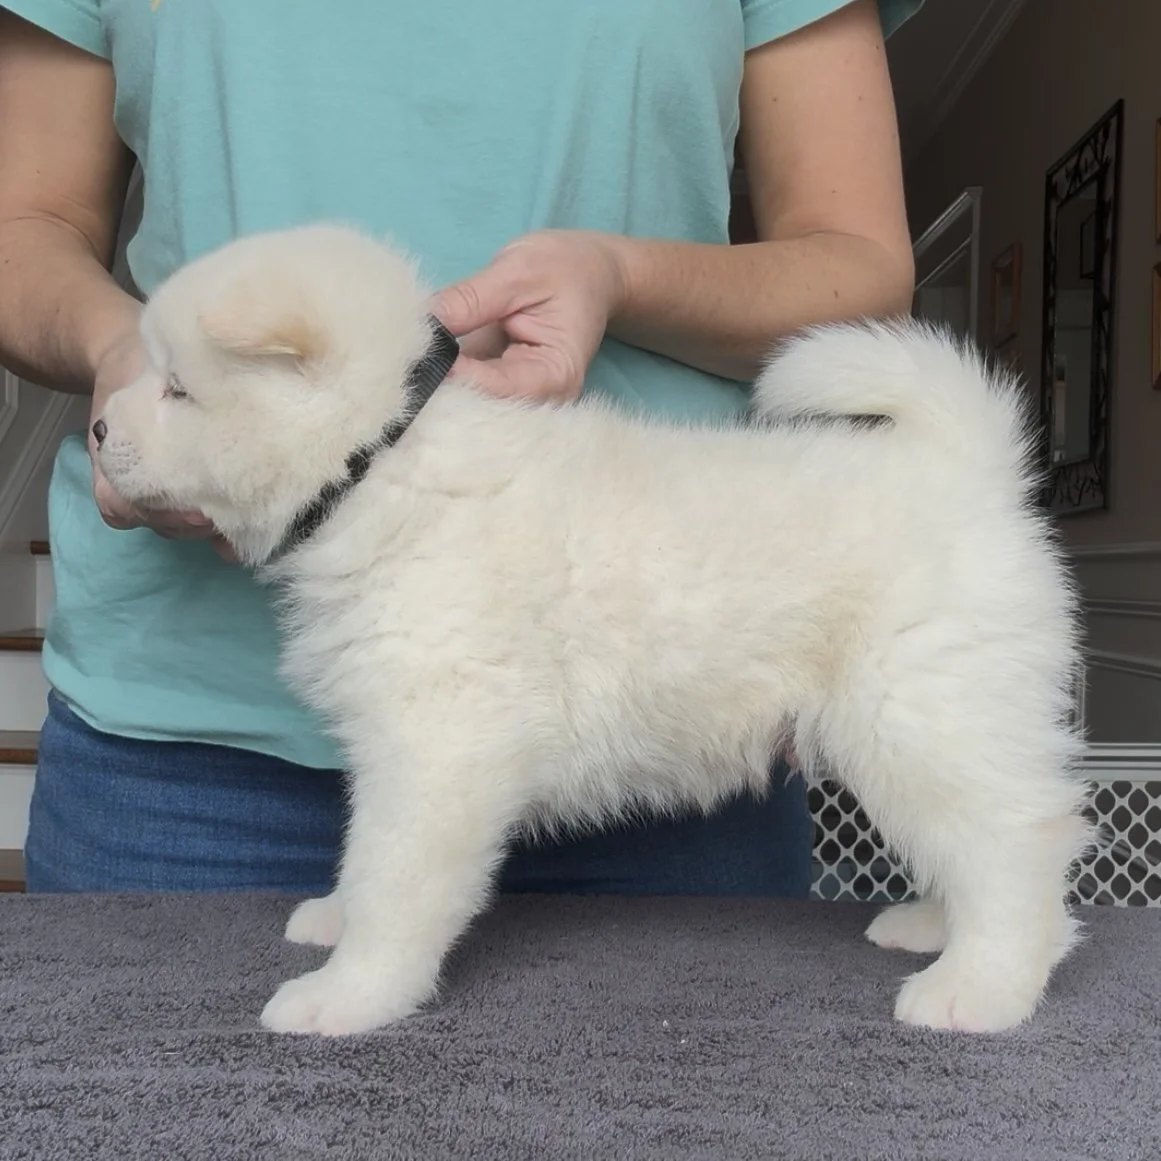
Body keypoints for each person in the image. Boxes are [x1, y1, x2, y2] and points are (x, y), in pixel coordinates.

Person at [0, 0, 920, 895]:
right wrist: (132, 356)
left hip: (659, 714)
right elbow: (26, 225)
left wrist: (622, 276)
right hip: (184, 755)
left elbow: (860, 263)